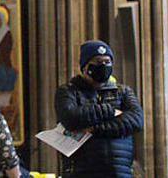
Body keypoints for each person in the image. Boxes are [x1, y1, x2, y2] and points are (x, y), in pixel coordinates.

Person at [55, 40, 143, 177]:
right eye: (97, 61)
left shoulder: (123, 92)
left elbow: (136, 120)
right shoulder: (69, 91)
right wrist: (111, 111)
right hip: (83, 171)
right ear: (85, 67)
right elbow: (70, 117)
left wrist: (95, 129)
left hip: (119, 171)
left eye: (107, 62)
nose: (103, 65)